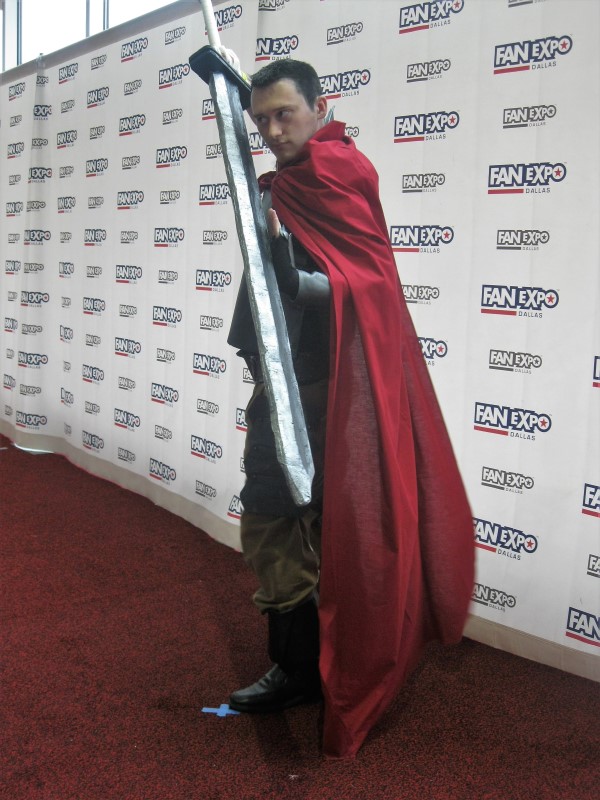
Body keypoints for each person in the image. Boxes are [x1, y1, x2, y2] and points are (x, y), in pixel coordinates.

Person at [225, 58, 474, 759]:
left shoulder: (341, 173)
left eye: (285, 114)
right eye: (261, 119)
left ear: (321, 106)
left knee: (345, 532)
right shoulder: (282, 184)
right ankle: (296, 668)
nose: (273, 131)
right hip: (281, 388)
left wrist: (297, 279)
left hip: (339, 396)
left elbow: (370, 286)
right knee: (271, 522)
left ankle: (343, 666)